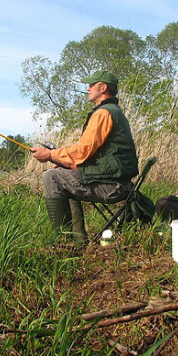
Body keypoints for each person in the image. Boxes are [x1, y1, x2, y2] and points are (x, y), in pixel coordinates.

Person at [31, 69, 139, 243]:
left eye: (91, 85)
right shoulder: (114, 111)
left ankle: (62, 242)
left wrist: (50, 154)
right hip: (121, 183)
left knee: (51, 177)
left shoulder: (104, 113)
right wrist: (65, 163)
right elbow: (95, 156)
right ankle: (79, 238)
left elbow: (82, 151)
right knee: (67, 175)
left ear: (102, 87)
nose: (88, 89)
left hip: (113, 187)